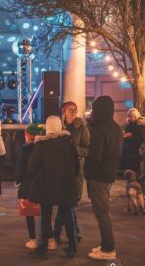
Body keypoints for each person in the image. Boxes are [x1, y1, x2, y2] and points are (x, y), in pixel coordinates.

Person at [27, 116, 80, 259]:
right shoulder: (69, 143)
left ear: (47, 127)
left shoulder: (42, 145)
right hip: (65, 184)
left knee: (45, 216)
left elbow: (32, 167)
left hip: (46, 185)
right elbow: (76, 166)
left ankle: (43, 246)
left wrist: (31, 178)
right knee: (68, 214)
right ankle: (73, 246)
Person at [85, 96, 123, 261]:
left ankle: (108, 248)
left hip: (98, 176)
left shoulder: (99, 130)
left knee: (102, 213)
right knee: (103, 212)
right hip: (109, 174)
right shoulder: (116, 127)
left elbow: (95, 157)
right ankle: (106, 244)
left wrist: (88, 172)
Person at [54, 101, 89, 244]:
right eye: (70, 109)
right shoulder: (58, 126)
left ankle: (58, 233)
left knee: (68, 202)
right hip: (60, 170)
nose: (73, 112)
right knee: (66, 203)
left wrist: (74, 149)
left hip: (75, 170)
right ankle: (72, 234)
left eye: (75, 109)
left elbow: (87, 149)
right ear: (64, 111)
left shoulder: (81, 127)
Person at [14, 123, 45, 250]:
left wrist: (18, 180)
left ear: (28, 135)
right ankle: (50, 239)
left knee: (30, 213)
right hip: (44, 183)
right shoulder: (46, 148)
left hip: (29, 185)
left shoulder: (26, 150)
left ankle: (33, 240)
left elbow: (19, 170)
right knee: (46, 214)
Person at [122, 108, 145, 174]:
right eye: (128, 116)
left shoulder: (140, 124)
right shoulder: (131, 123)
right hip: (131, 150)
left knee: (136, 170)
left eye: (130, 116)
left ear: (135, 116)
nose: (129, 118)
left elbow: (142, 137)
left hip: (137, 151)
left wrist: (131, 136)